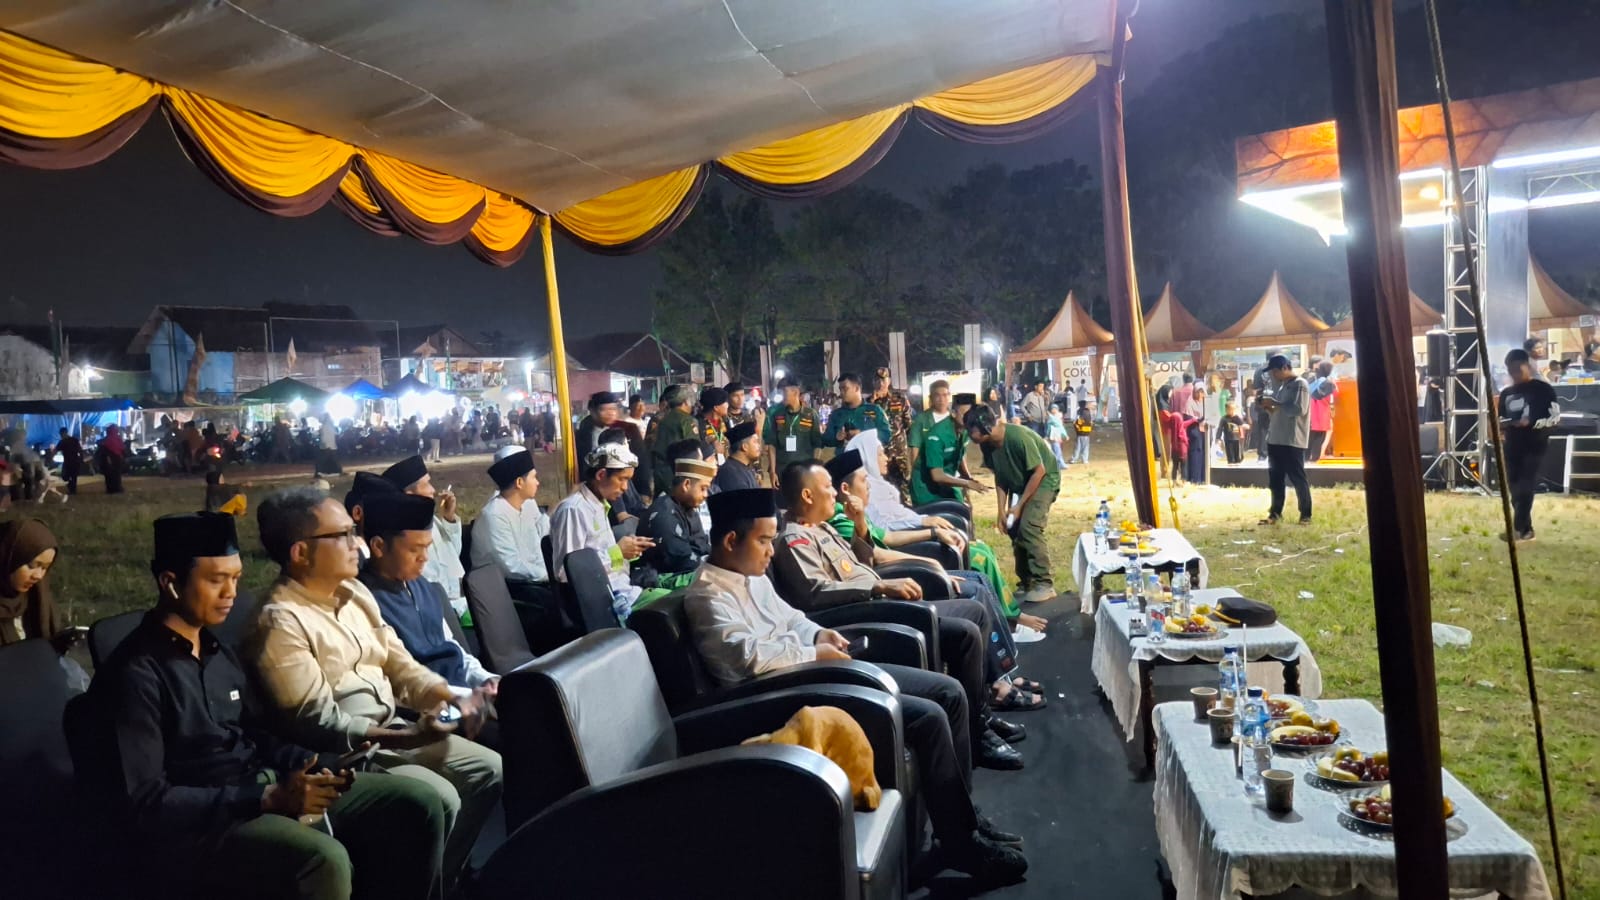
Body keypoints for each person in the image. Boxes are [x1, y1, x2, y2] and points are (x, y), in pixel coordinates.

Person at [87, 512, 447, 900]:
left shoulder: (216, 651)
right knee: (323, 860)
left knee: (417, 802)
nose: (231, 593)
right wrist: (266, 798)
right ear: (170, 582)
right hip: (209, 824)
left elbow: (256, 732)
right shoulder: (135, 674)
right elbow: (145, 800)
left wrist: (312, 763)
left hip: (264, 785)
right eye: (216, 580)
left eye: (236, 578)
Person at [683, 489, 1028, 886]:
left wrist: (819, 633)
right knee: (930, 716)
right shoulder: (708, 596)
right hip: (789, 696)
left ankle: (962, 817)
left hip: (821, 673)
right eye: (763, 541)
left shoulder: (751, 576)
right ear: (731, 540)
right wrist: (813, 654)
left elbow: (793, 619)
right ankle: (960, 842)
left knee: (948, 694)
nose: (770, 552)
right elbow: (745, 660)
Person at [247, 488, 502, 884]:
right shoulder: (281, 620)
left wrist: (452, 694)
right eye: (343, 535)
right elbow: (316, 722)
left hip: (392, 730)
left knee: (490, 768)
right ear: (300, 552)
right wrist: (407, 737)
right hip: (348, 754)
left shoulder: (353, 593)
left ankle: (442, 879)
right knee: (441, 797)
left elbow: (400, 665)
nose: (358, 544)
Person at [771, 460, 1028, 768]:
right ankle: (978, 734)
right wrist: (878, 587)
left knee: (975, 611)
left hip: (880, 603)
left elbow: (864, 561)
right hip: (863, 617)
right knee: (965, 633)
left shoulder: (823, 527)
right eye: (827, 487)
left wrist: (859, 523)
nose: (835, 493)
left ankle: (980, 715)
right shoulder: (795, 539)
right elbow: (815, 592)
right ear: (807, 495)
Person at [359, 494, 498, 698]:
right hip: (427, 704)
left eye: (427, 547)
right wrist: (464, 697)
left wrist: (487, 679)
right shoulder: (363, 600)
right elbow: (396, 679)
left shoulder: (423, 586)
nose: (424, 557)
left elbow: (450, 646)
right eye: (414, 549)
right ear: (378, 546)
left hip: (462, 694)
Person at [550, 443, 659, 621]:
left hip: (624, 591)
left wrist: (628, 551)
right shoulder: (574, 510)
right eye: (622, 479)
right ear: (601, 475)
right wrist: (617, 553)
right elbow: (564, 572)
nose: (625, 487)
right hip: (604, 604)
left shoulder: (599, 505)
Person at [963, 406, 1060, 604]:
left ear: (985, 427)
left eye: (971, 430)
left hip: (1043, 480)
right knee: (1013, 528)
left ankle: (1044, 583)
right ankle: (1027, 582)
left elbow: (1039, 471)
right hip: (1020, 482)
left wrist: (1019, 505)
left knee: (1029, 527)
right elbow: (1001, 476)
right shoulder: (987, 444)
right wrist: (1001, 511)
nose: (969, 435)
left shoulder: (1018, 438)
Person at [469, 449, 558, 633]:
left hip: (534, 580)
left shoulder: (528, 504)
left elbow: (540, 538)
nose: (538, 482)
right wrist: (548, 574)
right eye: (534, 477)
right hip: (509, 589)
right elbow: (511, 566)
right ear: (519, 482)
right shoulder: (494, 515)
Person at [380, 455, 466, 618]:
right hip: (435, 608)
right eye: (426, 484)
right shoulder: (402, 532)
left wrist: (448, 518)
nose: (433, 490)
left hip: (457, 601)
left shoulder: (430, 519)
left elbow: (454, 553)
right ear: (409, 494)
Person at [1498, 348, 1561, 542]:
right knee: (1514, 489)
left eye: (1518, 369)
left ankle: (1517, 528)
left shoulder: (1543, 390)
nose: (1514, 374)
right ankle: (1526, 529)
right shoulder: (1506, 393)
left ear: (1527, 366)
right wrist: (1503, 425)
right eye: (1511, 370)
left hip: (1535, 444)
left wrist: (1533, 424)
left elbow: (1555, 418)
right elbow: (1501, 418)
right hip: (1512, 445)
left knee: (1525, 485)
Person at [638, 457, 716, 591]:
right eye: (703, 488)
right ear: (686, 484)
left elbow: (703, 546)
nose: (706, 495)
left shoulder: (688, 508)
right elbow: (683, 561)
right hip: (661, 582)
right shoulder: (664, 514)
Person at [1, 518, 77, 652]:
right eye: (32, 566)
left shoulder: (37, 596)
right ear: (9, 558)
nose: (38, 576)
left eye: (45, 568)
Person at [907, 380, 988, 507]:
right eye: (965, 414)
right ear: (954, 413)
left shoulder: (964, 431)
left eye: (971, 414)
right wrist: (967, 483)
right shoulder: (936, 434)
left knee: (964, 510)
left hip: (948, 481)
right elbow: (936, 475)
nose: (969, 418)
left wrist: (968, 478)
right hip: (926, 488)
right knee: (940, 517)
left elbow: (959, 457)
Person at [1257, 354, 1312, 525]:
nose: (1273, 375)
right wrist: (1268, 407)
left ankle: (1306, 514)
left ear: (1285, 368)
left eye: (1275, 371)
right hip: (1275, 438)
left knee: (1297, 478)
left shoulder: (1300, 384)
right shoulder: (1281, 386)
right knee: (1276, 479)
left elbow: (1298, 409)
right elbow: (1278, 412)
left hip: (1291, 440)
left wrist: (1275, 403)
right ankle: (1275, 513)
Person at [762, 377, 824, 483]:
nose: (781, 396)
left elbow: (817, 444)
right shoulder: (777, 414)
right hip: (782, 471)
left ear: (795, 392)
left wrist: (813, 469)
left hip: (803, 471)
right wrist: (772, 471)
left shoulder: (810, 415)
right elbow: (772, 445)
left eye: (784, 392)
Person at [869, 367, 915, 498]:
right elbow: (867, 426)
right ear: (873, 382)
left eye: (884, 380)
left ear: (889, 381)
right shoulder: (868, 403)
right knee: (882, 489)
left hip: (899, 453)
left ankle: (908, 508)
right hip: (880, 455)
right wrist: (873, 402)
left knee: (905, 487)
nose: (881, 383)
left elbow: (908, 423)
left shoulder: (899, 399)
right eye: (877, 380)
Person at [648, 385, 700, 493]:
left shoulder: (662, 419)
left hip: (659, 469)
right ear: (686, 402)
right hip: (677, 470)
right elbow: (693, 449)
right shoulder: (687, 420)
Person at [823, 373, 890, 447]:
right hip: (845, 453)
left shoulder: (875, 410)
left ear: (857, 388)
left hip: (868, 453)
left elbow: (886, 435)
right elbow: (826, 440)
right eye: (840, 389)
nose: (841, 393)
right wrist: (837, 437)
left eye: (845, 389)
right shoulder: (836, 415)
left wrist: (863, 435)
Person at [574, 391, 622, 475]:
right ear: (593, 411)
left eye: (613, 409)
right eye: (604, 409)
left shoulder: (626, 430)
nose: (610, 413)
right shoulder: (582, 435)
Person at [712, 421, 762, 493]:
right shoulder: (730, 473)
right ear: (744, 447)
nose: (759, 446)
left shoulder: (744, 467)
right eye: (755, 441)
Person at [1307, 361, 1337, 462]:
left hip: (1309, 410)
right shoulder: (1328, 383)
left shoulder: (1310, 379)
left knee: (1309, 435)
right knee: (1320, 435)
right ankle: (1315, 458)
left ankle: (1306, 457)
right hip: (1321, 411)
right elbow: (1335, 394)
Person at [697, 386, 732, 462]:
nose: (728, 405)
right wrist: (712, 447)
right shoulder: (698, 423)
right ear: (716, 407)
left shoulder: (726, 421)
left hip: (726, 465)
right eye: (725, 402)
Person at [1251, 354, 1275, 461]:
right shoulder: (1280, 368)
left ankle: (1262, 455)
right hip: (1276, 401)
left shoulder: (1258, 370)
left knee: (1263, 428)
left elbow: (1255, 389)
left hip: (1262, 401)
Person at [1186, 386, 1209, 483]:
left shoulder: (1207, 402)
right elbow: (1188, 417)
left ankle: (1204, 478)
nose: (1200, 395)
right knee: (1196, 453)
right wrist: (1197, 419)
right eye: (1197, 392)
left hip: (1206, 431)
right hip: (1194, 431)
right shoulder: (1190, 402)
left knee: (1205, 453)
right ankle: (1195, 479)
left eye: (1202, 392)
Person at [52, 428, 82, 495]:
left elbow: (55, 450)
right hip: (75, 460)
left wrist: (52, 454)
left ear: (63, 433)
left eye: (61, 434)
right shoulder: (74, 440)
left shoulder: (63, 441)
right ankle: (73, 490)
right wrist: (81, 459)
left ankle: (72, 489)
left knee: (65, 476)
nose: (61, 435)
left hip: (68, 461)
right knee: (73, 476)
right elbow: (80, 450)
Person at [98, 423, 127, 494]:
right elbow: (122, 448)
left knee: (109, 475)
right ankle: (117, 488)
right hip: (117, 458)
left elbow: (103, 449)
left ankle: (110, 489)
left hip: (108, 459)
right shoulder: (117, 439)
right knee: (117, 474)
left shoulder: (106, 439)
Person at [1045, 403, 1069, 468]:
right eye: (1052, 409)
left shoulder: (1054, 418)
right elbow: (1049, 428)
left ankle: (1059, 464)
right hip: (1053, 437)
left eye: (1055, 409)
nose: (1054, 410)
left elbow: (1061, 427)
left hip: (1057, 436)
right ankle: (1058, 465)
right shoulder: (1052, 418)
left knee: (1057, 450)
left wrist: (1065, 435)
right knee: (1056, 450)